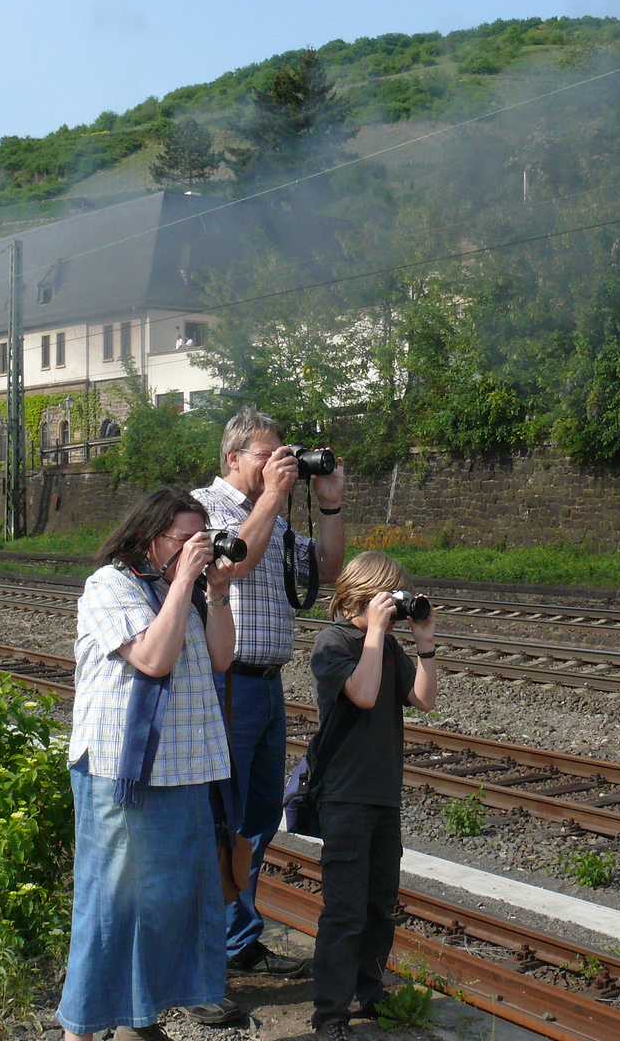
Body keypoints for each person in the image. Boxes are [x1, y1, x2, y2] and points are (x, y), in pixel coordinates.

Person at [57, 488, 238, 1041]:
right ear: (148, 536)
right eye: (182, 540)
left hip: (180, 768)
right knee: (111, 906)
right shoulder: (109, 584)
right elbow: (154, 659)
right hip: (122, 773)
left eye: (197, 541)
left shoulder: (176, 589)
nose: (192, 550)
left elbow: (222, 658)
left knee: (166, 904)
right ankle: (81, 1028)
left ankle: (141, 1016)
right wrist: (185, 580)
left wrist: (220, 593)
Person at [191, 409, 345, 1000]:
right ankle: (216, 946)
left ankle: (239, 941)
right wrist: (275, 497)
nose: (279, 462)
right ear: (232, 459)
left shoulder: (274, 514)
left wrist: (327, 503)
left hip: (268, 684)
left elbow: (329, 571)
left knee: (257, 820)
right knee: (219, 818)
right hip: (223, 685)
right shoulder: (202, 508)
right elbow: (233, 564)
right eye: (265, 454)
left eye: (285, 454)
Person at [308, 552, 438, 1041]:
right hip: (343, 794)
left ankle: (369, 989)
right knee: (344, 909)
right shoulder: (334, 642)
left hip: (383, 792)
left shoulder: (385, 647)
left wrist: (424, 646)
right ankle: (330, 1014)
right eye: (392, 596)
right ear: (365, 593)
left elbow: (423, 699)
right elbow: (362, 694)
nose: (398, 607)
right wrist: (377, 634)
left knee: (380, 903)